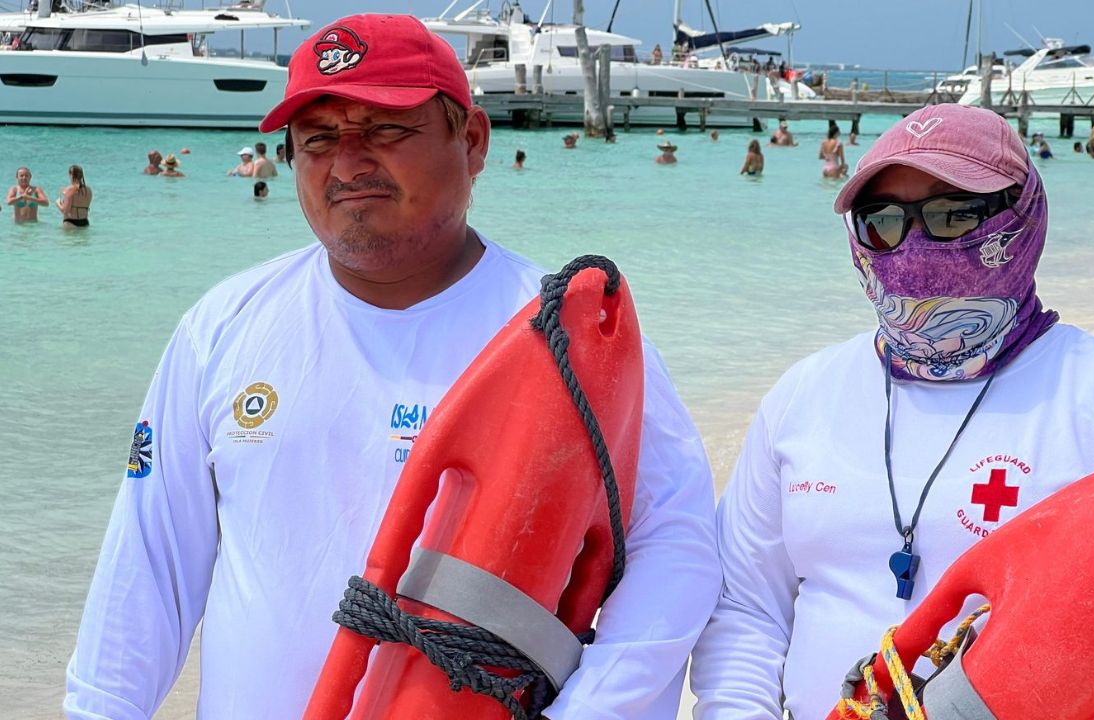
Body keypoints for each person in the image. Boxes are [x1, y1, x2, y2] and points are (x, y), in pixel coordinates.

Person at [64, 14, 719, 720]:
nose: (347, 163)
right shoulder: (222, 329)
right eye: (317, 139)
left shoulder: (568, 338)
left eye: (386, 128)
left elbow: (674, 548)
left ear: (471, 142)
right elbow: (148, 570)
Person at [690, 104, 1094, 719]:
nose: (911, 247)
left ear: (1021, 215)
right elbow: (746, 607)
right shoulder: (802, 398)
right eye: (882, 221)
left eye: (954, 214)